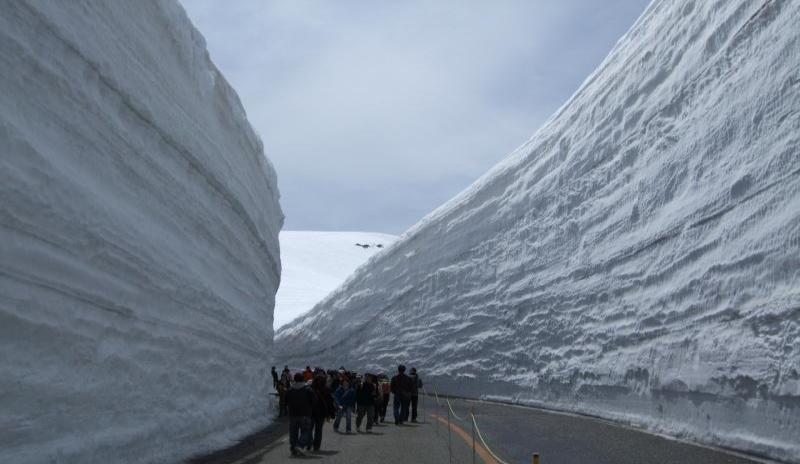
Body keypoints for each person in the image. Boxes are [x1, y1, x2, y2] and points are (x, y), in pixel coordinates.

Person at [286, 373, 314, 457]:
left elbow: (285, 401)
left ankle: (293, 448)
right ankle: (299, 445)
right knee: (306, 431)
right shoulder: (308, 389)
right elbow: (314, 400)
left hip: (293, 414)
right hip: (305, 414)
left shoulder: (290, 389)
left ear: (294, 379)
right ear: (303, 379)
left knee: (293, 432)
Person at [310, 374, 335, 452]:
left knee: (309, 429)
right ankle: (316, 446)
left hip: (311, 412)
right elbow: (330, 403)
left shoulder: (310, 389)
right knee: (318, 430)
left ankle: (310, 443)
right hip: (321, 413)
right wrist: (331, 414)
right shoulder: (327, 389)